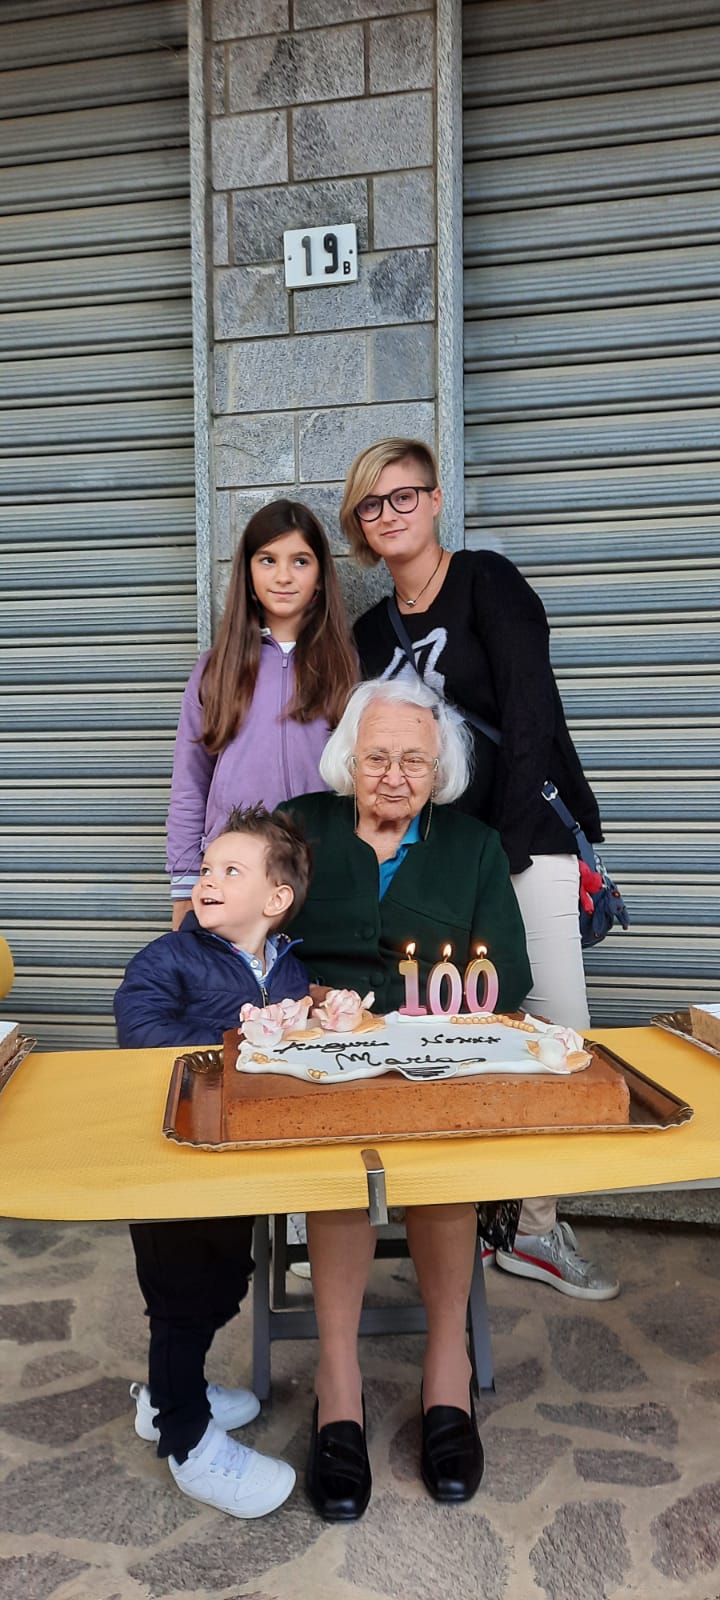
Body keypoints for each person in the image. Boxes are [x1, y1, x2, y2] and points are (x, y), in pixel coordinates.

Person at [342, 436, 619, 1303]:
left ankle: (533, 1230)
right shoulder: (364, 631)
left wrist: (500, 848)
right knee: (422, 1028)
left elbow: (533, 715)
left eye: (404, 496)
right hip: (422, 861)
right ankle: (404, 1222)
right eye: (371, 505)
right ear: (360, 525)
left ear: (434, 499)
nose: (390, 514)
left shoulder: (488, 582)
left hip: (518, 842)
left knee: (555, 1028)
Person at [284, 678, 532, 1520]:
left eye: (413, 761)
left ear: (440, 771)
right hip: (320, 1066)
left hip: (436, 1061)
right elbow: (245, 931)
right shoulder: (298, 827)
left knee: (438, 1165)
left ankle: (445, 1371)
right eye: (377, 756)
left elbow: (513, 978)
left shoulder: (474, 847)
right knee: (343, 1168)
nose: (393, 775)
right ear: (348, 759)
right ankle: (339, 1379)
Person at [114, 804, 312, 1519]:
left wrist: (318, 1020)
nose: (208, 880)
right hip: (173, 1171)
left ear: (275, 899)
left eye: (231, 870)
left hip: (237, 1170)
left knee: (224, 1282)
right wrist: (241, 1033)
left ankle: (173, 1397)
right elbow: (141, 1033)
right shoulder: (167, 958)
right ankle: (188, 1443)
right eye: (205, 868)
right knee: (180, 1303)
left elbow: (300, 1048)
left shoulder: (290, 969)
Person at [166, 498, 356, 929]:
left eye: (300, 561)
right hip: (234, 878)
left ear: (320, 577)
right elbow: (189, 783)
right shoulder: (216, 669)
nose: (284, 575)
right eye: (268, 560)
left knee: (312, 993)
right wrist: (183, 885)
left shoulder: (345, 666)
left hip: (320, 874)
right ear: (249, 576)